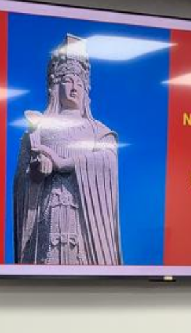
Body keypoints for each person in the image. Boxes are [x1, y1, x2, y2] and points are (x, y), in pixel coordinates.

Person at [12, 35, 121, 266]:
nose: (74, 88)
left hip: (84, 221)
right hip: (48, 215)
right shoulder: (38, 129)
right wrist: (37, 170)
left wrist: (64, 163)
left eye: (79, 84)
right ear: (54, 87)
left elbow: (108, 160)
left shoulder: (97, 130)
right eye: (67, 81)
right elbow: (22, 180)